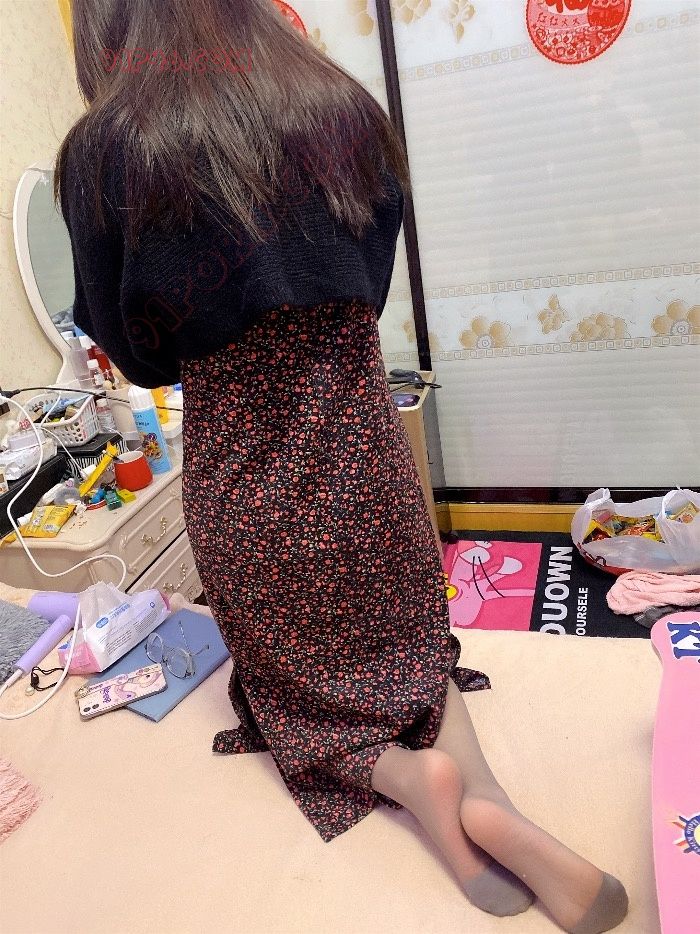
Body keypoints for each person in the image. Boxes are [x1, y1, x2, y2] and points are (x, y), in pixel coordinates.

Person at [55, 2, 628, 931]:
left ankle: (405, 777)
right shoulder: (333, 100)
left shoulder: (108, 150)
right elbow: (368, 277)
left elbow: (141, 355)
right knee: (413, 644)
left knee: (292, 687)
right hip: (367, 459)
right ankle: (489, 796)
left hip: (250, 487)